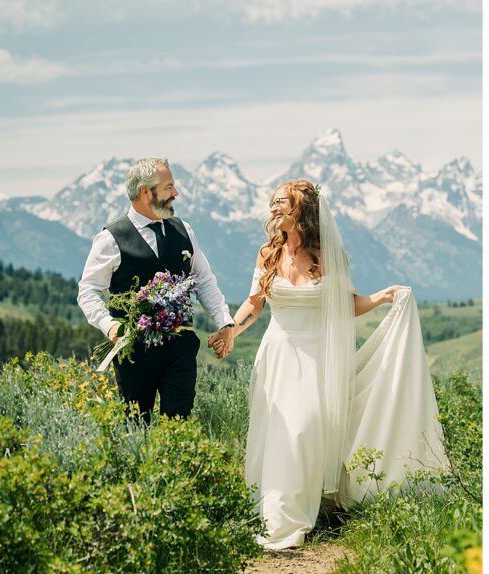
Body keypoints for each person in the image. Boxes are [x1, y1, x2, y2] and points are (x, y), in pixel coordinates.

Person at [223, 179, 448, 550]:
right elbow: (255, 303)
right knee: (278, 431)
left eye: (282, 202)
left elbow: (348, 304)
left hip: (316, 360)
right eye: (273, 202)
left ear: (302, 209)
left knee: (305, 428)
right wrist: (232, 329)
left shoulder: (328, 256)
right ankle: (274, 512)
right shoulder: (267, 254)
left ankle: (296, 513)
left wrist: (383, 297)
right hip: (278, 354)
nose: (273, 208)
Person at [78, 157, 235, 422]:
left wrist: (225, 322)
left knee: (179, 421)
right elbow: (88, 291)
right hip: (134, 351)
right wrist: (111, 327)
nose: (176, 194)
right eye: (168, 187)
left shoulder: (184, 230)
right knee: (137, 424)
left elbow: (204, 281)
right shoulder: (111, 239)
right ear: (144, 192)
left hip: (180, 347)